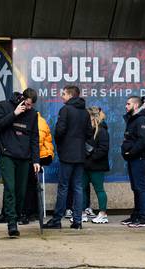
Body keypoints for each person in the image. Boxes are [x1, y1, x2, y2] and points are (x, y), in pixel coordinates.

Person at [43, 85, 92, 230]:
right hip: (80, 154)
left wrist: (61, 145)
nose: (61, 96)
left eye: (63, 94)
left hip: (67, 154)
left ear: (70, 95)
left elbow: (59, 130)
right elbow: (89, 133)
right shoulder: (85, 112)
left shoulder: (65, 110)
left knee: (63, 187)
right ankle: (77, 221)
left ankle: (57, 220)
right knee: (77, 187)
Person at [0, 88, 40, 237]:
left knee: (21, 192)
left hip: (24, 157)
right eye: (27, 104)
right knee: (10, 189)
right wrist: (14, 114)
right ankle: (11, 223)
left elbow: (34, 138)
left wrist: (36, 160)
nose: (29, 107)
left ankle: (17, 215)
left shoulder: (32, 114)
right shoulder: (5, 107)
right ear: (21, 99)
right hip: (7, 154)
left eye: (31, 105)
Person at [120, 96, 145, 227]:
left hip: (139, 158)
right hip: (133, 159)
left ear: (136, 105)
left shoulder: (142, 119)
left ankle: (143, 218)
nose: (126, 106)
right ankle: (136, 215)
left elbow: (143, 140)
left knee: (140, 188)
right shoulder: (133, 119)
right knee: (135, 188)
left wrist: (131, 152)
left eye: (128, 104)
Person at [20, 112, 54, 224]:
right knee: (32, 183)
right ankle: (33, 212)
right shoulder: (39, 120)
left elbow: (37, 143)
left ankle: (27, 213)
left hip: (40, 156)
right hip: (39, 155)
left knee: (28, 183)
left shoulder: (38, 121)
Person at [82, 106, 110, 224]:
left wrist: (91, 157)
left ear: (92, 118)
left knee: (99, 189)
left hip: (97, 166)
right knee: (82, 188)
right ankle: (81, 212)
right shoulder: (87, 131)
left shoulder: (102, 131)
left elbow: (103, 149)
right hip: (85, 165)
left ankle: (103, 213)